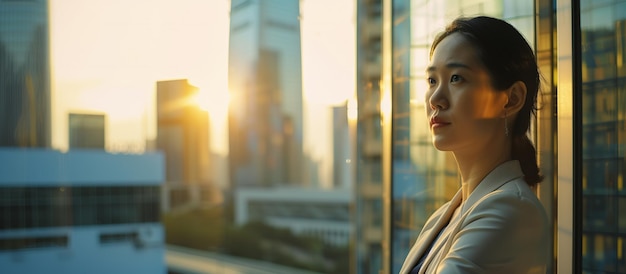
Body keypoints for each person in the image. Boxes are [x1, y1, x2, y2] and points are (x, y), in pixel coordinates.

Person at [399, 16, 549, 274]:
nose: (435, 99)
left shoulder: (511, 210)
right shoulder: (445, 215)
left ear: (511, 99)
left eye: (456, 78)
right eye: (432, 80)